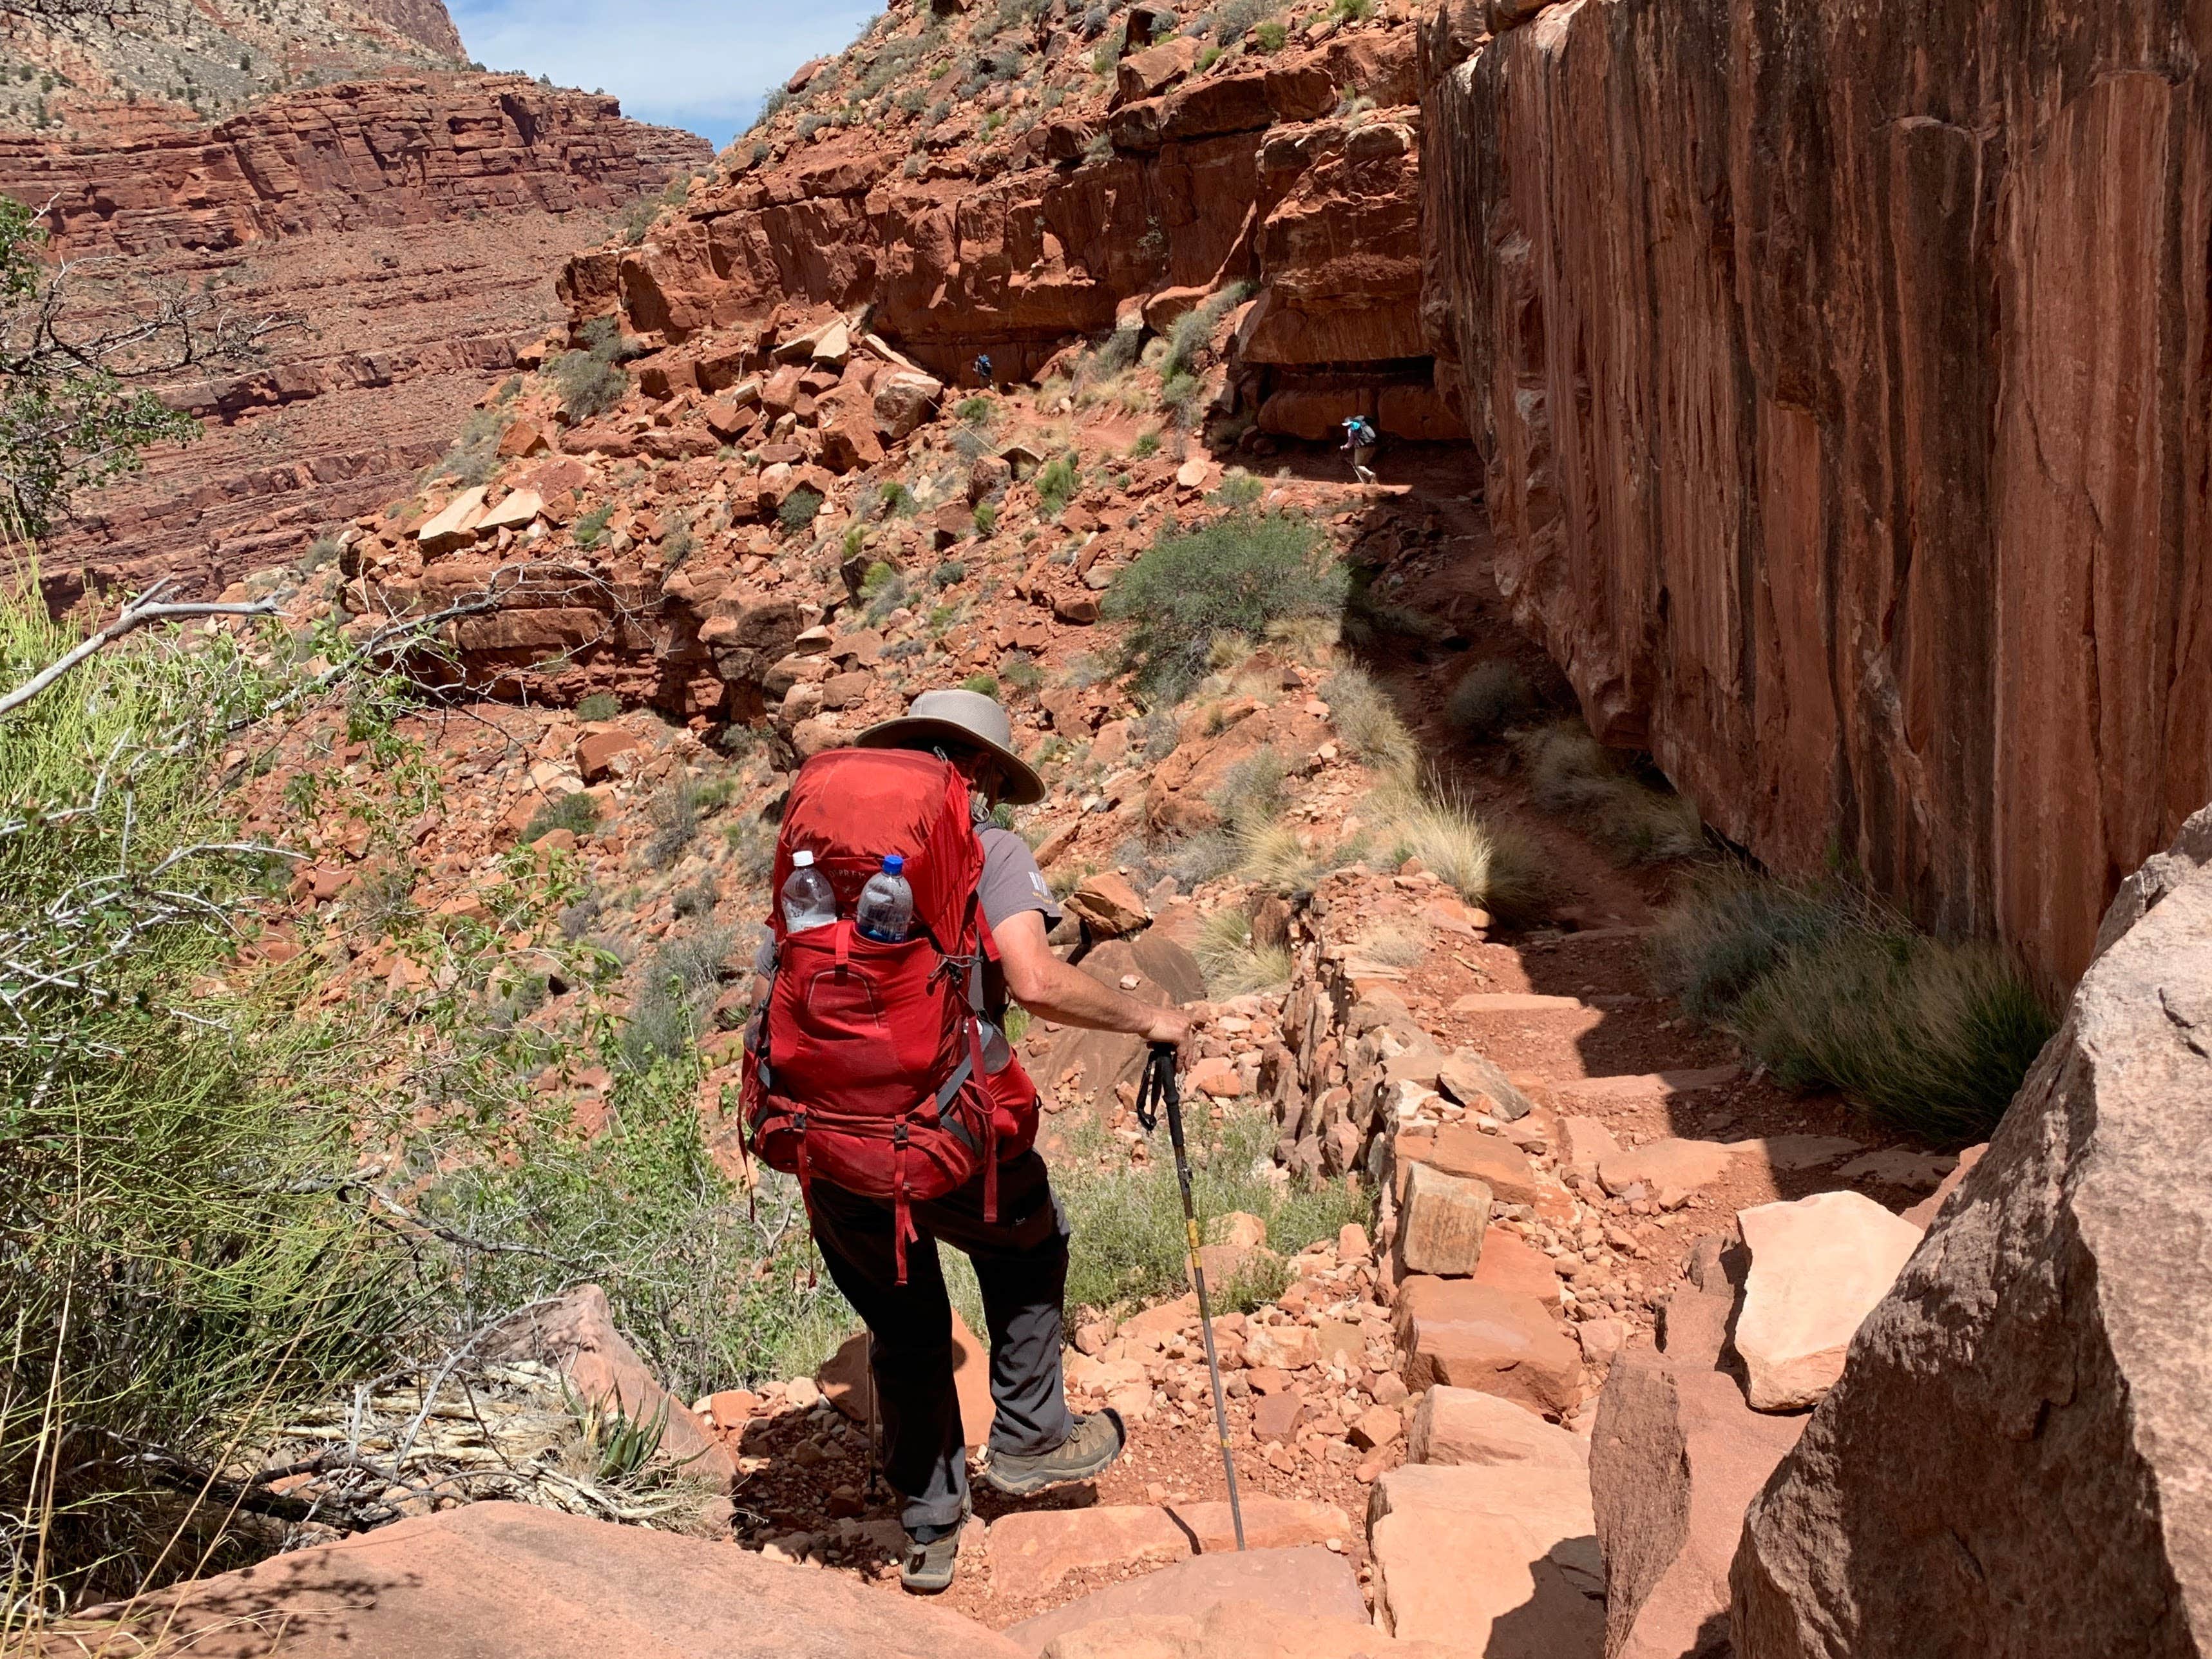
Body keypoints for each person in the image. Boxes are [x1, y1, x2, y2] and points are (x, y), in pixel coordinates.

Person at [760, 689, 1193, 1595]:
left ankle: (929, 1529)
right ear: (984, 770)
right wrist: (1148, 1017)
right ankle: (1031, 1436)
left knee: (905, 1324)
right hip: (950, 1131)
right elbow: (1034, 981)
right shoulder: (987, 847)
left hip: (828, 1135)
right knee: (1029, 1243)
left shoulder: (818, 859)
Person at [1341, 413, 1378, 486]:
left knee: (1358, 465)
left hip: (1361, 448)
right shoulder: (1362, 424)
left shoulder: (1351, 430)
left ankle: (1371, 475)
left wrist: (1344, 447)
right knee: (1364, 464)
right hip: (1372, 446)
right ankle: (1362, 480)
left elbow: (1350, 443)